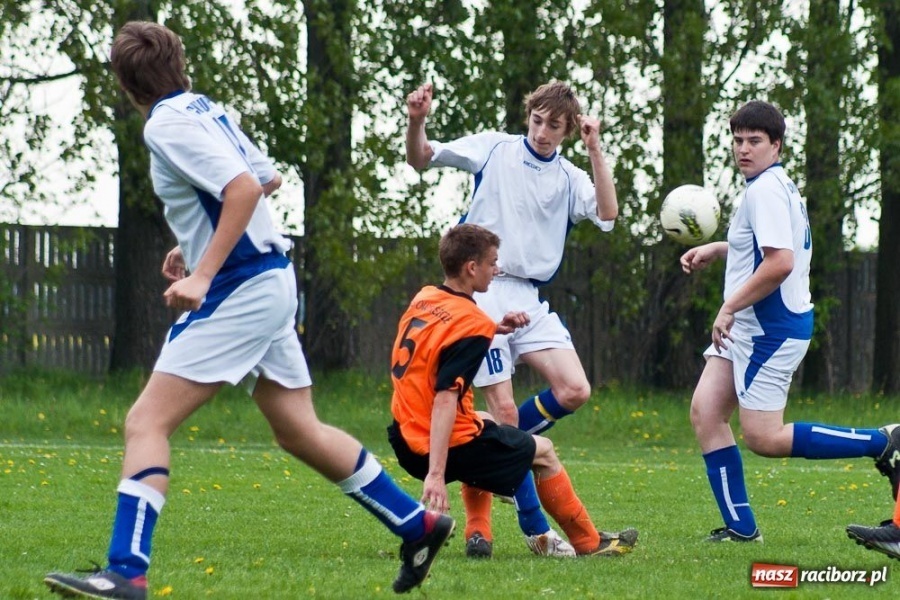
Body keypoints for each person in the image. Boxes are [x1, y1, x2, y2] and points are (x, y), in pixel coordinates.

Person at [44, 21, 452, 599]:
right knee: (299, 429)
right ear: (179, 63)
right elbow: (268, 178)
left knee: (146, 422)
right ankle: (418, 524)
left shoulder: (164, 123)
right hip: (270, 277)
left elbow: (242, 189)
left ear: (126, 84)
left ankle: (126, 573)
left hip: (239, 287)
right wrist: (193, 244)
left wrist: (203, 272)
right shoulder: (206, 109)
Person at [405, 80, 618, 553]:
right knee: (503, 411)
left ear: (568, 129)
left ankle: (494, 449)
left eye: (554, 126)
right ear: (528, 116)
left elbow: (608, 213)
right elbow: (421, 158)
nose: (542, 132)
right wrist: (416, 121)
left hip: (530, 295)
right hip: (484, 290)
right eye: (537, 121)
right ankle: (532, 530)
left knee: (575, 389)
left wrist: (595, 149)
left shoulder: (569, 176)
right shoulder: (494, 148)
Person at [681, 100, 900, 543]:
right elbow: (769, 248)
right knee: (706, 413)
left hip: (770, 331)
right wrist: (721, 249)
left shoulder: (764, 190)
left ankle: (883, 441)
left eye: (755, 141)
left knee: (763, 437)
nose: (744, 149)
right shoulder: (771, 185)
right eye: (738, 140)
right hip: (750, 328)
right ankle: (742, 529)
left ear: (776, 145)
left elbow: (780, 262)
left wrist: (728, 306)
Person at [387, 223, 638, 560]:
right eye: (492, 262)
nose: (497, 269)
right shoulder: (471, 324)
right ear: (471, 267)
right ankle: (588, 543)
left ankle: (479, 533)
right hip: (433, 447)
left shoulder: (426, 298)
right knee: (544, 452)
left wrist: (494, 328)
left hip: (403, 434)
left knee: (485, 420)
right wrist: (434, 474)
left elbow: (443, 338)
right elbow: (446, 397)